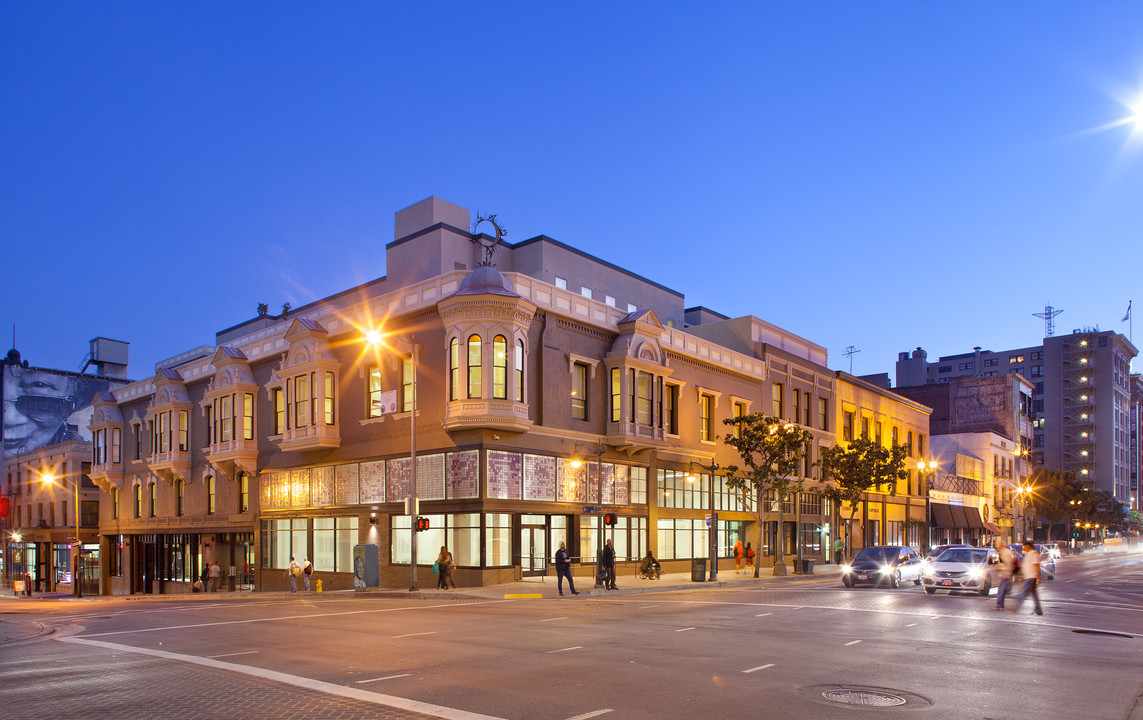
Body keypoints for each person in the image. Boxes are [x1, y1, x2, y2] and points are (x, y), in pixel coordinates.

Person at [1015, 541, 1044, 616]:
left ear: (1028, 546)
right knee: (1034, 594)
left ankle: (1015, 606)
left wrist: (1038, 577)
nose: (1023, 548)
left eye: (1024, 546)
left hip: (1031, 577)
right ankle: (1038, 609)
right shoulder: (1028, 554)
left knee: (1024, 592)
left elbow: (1037, 565)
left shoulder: (1034, 554)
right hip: (1028, 576)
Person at [995, 541, 1017, 610]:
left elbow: (1005, 563)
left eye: (999, 545)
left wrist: (1001, 569)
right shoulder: (1007, 552)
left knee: (1001, 590)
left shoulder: (1004, 553)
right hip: (1006, 573)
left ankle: (1000, 605)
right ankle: (1000, 604)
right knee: (1003, 590)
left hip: (1004, 573)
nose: (998, 547)